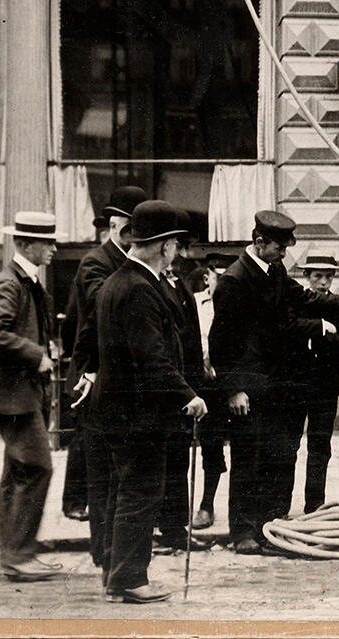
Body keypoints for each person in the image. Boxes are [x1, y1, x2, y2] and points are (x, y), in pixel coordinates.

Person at [93, 200, 206, 603]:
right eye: (176, 243)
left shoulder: (119, 281)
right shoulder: (140, 289)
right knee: (140, 495)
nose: (177, 251)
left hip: (118, 410)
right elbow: (151, 359)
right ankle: (130, 580)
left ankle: (115, 573)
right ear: (164, 246)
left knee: (122, 493)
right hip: (138, 414)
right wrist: (188, 395)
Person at [209, 210, 333, 552]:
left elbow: (303, 298)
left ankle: (267, 527)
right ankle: (243, 533)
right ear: (259, 242)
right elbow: (220, 343)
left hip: (276, 385)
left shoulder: (273, 270)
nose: (284, 253)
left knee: (274, 458)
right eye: (279, 246)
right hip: (247, 389)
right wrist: (233, 389)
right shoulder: (234, 280)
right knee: (247, 461)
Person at [0, 211, 64, 582]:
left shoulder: (27, 281)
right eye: (47, 243)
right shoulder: (9, 283)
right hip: (11, 396)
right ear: (24, 244)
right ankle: (18, 555)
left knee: (18, 471)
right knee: (38, 466)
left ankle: (15, 554)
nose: (53, 249)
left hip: (18, 393)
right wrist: (35, 354)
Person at [62, 184, 146, 535]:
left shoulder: (127, 261)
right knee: (89, 443)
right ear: (113, 226)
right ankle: (78, 506)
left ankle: (87, 506)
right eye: (130, 227)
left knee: (97, 445)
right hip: (94, 368)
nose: (135, 234)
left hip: (111, 369)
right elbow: (100, 310)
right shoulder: (96, 262)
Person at [154, 229, 207, 557]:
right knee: (161, 462)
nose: (181, 254)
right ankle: (159, 528)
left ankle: (175, 528)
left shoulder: (179, 279)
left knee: (177, 460)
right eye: (177, 247)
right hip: (165, 388)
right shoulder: (152, 284)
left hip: (184, 383)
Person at [295, 254, 339, 514]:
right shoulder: (296, 302)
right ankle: (279, 506)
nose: (323, 282)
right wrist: (320, 327)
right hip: (295, 384)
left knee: (320, 445)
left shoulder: (338, 305)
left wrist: (317, 337)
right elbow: (287, 334)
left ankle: (314, 504)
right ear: (306, 277)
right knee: (289, 443)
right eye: (317, 276)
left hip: (326, 384)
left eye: (328, 277)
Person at [190, 252, 233, 529]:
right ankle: (170, 509)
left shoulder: (237, 304)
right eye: (219, 276)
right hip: (195, 382)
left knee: (213, 446)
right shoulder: (194, 303)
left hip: (223, 385)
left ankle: (207, 505)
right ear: (207, 276)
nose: (224, 282)